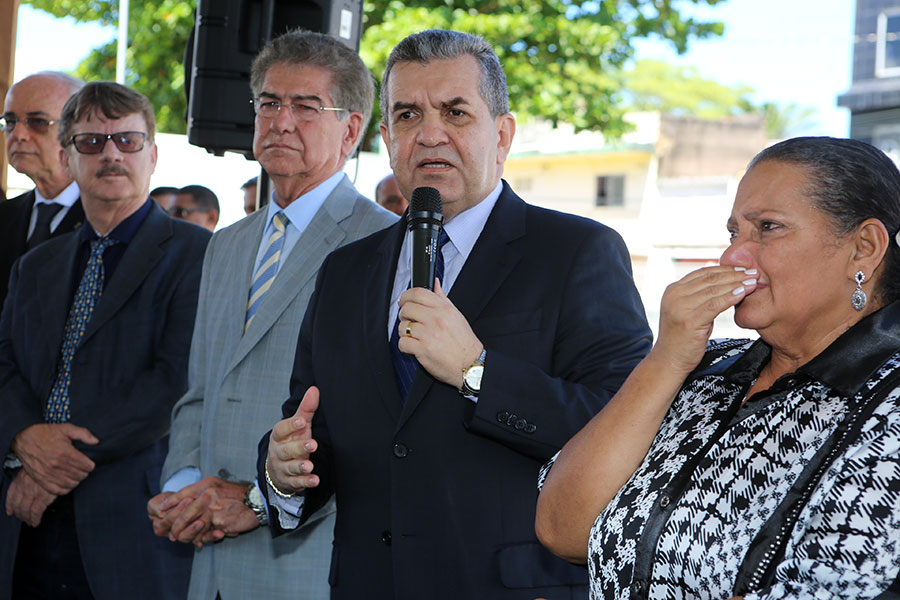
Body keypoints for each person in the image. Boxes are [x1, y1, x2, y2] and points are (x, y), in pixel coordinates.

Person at [260, 29, 652, 599]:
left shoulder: (576, 252)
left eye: (455, 112)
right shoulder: (344, 271)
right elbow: (308, 426)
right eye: (408, 115)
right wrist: (283, 470)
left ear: (503, 134)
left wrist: (476, 372)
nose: (430, 134)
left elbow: (627, 429)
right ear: (387, 138)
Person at [535, 136, 900, 600]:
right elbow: (563, 530)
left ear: (864, 247)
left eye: (768, 227)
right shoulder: (703, 368)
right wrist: (666, 360)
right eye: (734, 234)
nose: (732, 257)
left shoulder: (887, 406)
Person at [147, 30, 397, 600]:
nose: (281, 121)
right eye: (269, 103)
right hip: (210, 559)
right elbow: (200, 391)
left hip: (309, 563)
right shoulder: (226, 244)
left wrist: (260, 502)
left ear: (351, 130)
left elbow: (374, 425)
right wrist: (186, 488)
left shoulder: (384, 244)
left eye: (306, 107)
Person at [0, 81, 209, 599]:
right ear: (68, 158)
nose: (111, 154)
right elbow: (4, 362)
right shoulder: (36, 265)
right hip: (25, 524)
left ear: (153, 155)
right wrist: (24, 437)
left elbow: (175, 378)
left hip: (132, 521)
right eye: (91, 142)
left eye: (128, 141)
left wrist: (51, 463)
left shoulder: (199, 254)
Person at [0, 72, 85, 309]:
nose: (18, 135)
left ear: (81, 130)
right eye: (10, 121)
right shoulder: (5, 215)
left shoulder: (107, 220)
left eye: (37, 122)